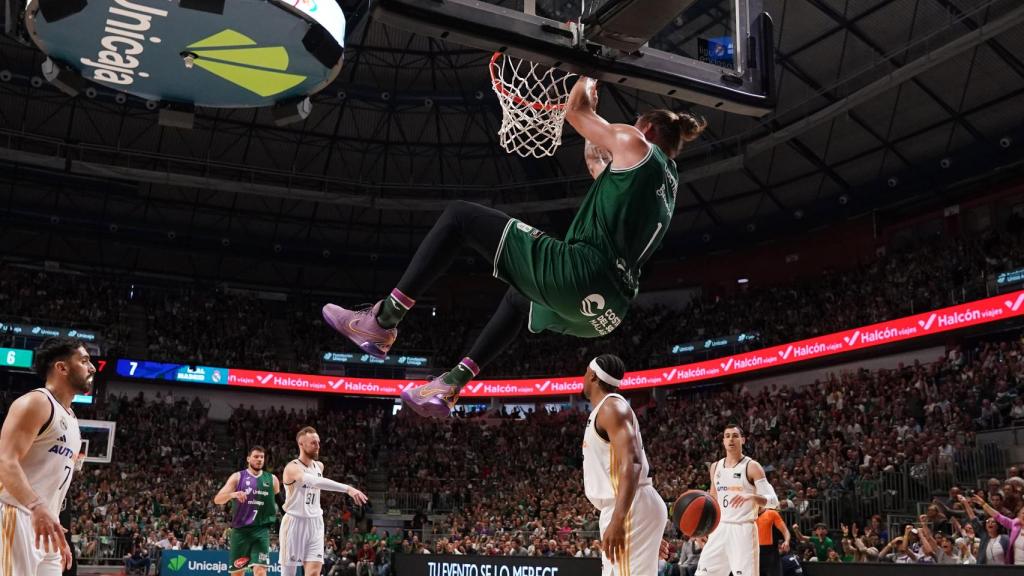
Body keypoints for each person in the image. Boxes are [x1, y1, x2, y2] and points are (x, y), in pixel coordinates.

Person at [322, 76, 706, 418]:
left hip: (581, 272)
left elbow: (576, 111)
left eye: (635, 124)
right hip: (607, 310)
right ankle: (451, 383)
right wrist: (593, 125)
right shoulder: (666, 185)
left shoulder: (637, 143)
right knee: (519, 298)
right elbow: (598, 166)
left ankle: (382, 321)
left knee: (459, 217)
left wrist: (588, 74)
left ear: (647, 128)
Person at [0, 337, 92, 576]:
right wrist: (36, 507)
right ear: (62, 367)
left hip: (46, 525)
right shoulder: (36, 402)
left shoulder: (71, 418)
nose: (92, 368)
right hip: (17, 513)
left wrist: (55, 526)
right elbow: (5, 461)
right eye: (84, 361)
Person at [581, 354, 668, 575]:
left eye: (585, 372)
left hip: (629, 508)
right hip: (630, 508)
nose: (583, 377)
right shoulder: (604, 409)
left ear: (593, 376)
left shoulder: (611, 408)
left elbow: (633, 462)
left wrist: (620, 519)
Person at [280, 427, 368, 576]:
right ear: (301, 444)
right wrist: (348, 489)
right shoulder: (292, 468)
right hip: (294, 522)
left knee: (314, 573)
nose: (318, 446)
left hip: (315, 522)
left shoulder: (319, 466)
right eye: (313, 443)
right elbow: (313, 481)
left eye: (318, 442)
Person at [695, 425, 780, 576]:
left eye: (735, 436)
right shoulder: (715, 467)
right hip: (719, 529)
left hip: (743, 529)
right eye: (727, 436)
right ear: (723, 441)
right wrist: (703, 529)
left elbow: (774, 502)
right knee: (703, 574)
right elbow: (713, 502)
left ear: (743, 440)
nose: (731, 439)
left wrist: (752, 497)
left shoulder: (752, 467)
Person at [213, 446, 281, 576]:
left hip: (261, 531)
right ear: (248, 459)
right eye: (256, 457)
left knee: (260, 571)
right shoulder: (238, 477)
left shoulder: (272, 479)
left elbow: (281, 503)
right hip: (241, 531)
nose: (259, 459)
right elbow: (217, 499)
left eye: (262, 457)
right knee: (237, 574)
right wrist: (232, 494)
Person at [756, 507, 789, 576]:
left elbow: (785, 531)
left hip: (771, 552)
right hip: (754, 552)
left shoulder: (772, 513)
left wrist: (787, 541)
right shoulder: (748, 516)